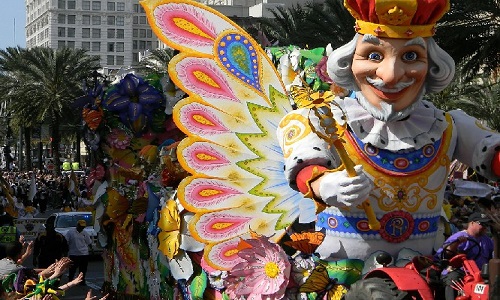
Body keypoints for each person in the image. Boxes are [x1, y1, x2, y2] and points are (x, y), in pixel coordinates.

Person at [276, 0, 500, 279]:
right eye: (373, 55)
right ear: (350, 60)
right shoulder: (324, 118)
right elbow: (304, 165)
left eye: (410, 57)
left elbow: (491, 153)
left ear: (431, 65)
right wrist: (324, 184)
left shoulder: (448, 126)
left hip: (424, 275)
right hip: (342, 275)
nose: (390, 75)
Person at [434, 211, 494, 300]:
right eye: (482, 224)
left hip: (481, 273)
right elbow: (444, 254)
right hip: (461, 271)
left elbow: (492, 257)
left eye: (486, 224)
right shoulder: (458, 236)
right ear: (472, 223)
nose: (485, 227)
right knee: (452, 280)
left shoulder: (487, 240)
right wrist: (457, 243)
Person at [65, 219, 92, 285]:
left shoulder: (85, 233)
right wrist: (65, 251)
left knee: (83, 269)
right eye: (80, 226)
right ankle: (70, 280)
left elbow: (89, 242)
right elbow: (66, 241)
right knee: (72, 269)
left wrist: (92, 250)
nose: (82, 228)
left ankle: (82, 281)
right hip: (74, 254)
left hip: (84, 254)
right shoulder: (70, 232)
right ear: (77, 225)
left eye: (83, 227)